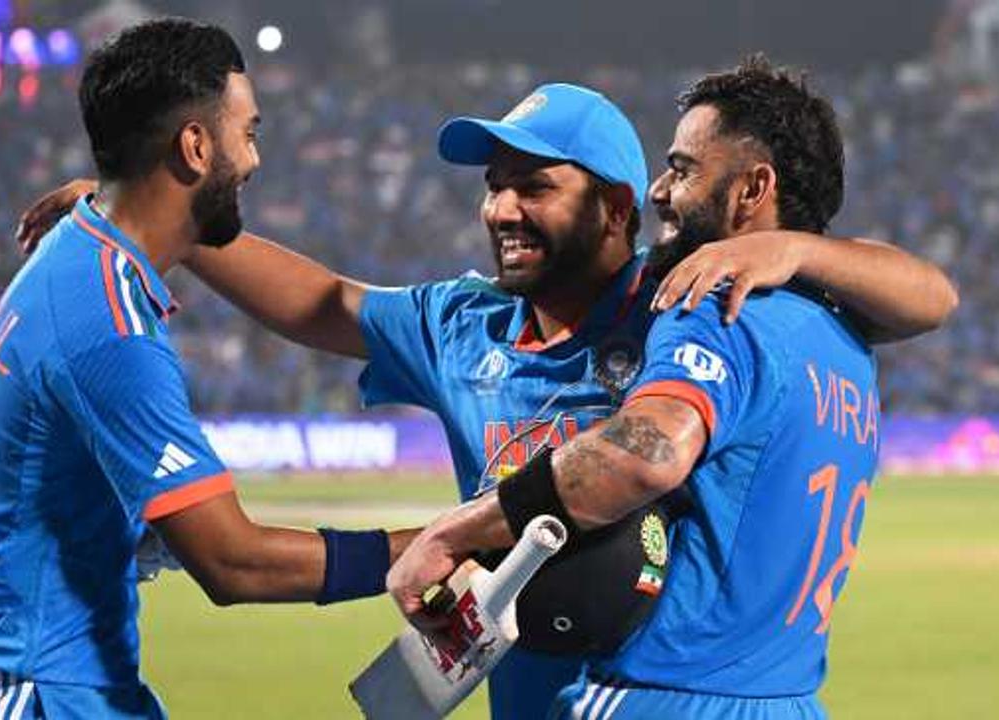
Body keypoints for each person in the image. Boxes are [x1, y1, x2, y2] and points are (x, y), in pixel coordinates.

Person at [17, 82, 957, 720]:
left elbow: (925, 292)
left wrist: (784, 247)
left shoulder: (684, 302)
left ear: (618, 210)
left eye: (535, 187)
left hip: (633, 687)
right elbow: (323, 303)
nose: (502, 209)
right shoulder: (462, 325)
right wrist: (149, 215)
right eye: (494, 187)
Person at [387, 55, 924, 719]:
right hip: (787, 700)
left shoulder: (714, 303)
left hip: (663, 697)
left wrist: (453, 532)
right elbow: (933, 295)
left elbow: (644, 452)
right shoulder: (846, 338)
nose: (660, 191)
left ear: (751, 189)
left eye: (684, 168)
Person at [0, 19, 414, 720]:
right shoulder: (106, 321)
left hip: (61, 680)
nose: (256, 159)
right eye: (249, 132)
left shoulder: (77, 253)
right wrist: (429, 549)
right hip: (25, 692)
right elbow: (234, 562)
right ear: (196, 146)